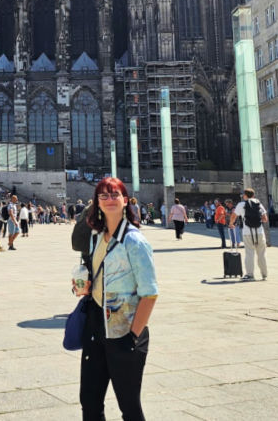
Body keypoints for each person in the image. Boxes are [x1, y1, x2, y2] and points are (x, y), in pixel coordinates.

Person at [72, 177, 158, 420]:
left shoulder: (134, 241)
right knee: (89, 401)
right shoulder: (96, 237)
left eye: (114, 195)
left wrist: (132, 336)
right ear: (96, 203)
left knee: (129, 406)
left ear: (125, 200)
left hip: (124, 332)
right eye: (103, 196)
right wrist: (85, 286)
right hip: (95, 325)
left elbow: (150, 293)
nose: (109, 200)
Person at [230, 188, 269, 281]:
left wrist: (231, 223)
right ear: (253, 195)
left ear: (245, 195)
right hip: (259, 232)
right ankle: (264, 274)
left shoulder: (241, 204)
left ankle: (250, 274)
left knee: (249, 253)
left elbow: (234, 216)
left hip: (247, 233)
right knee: (261, 254)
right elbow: (265, 219)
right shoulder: (258, 204)